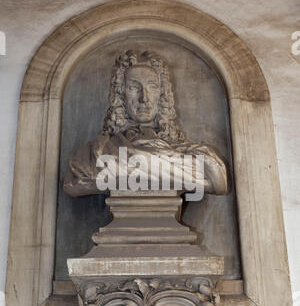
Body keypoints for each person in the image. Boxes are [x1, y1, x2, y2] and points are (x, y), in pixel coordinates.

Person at [63, 50, 228, 198]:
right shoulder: (90, 157)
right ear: (120, 94)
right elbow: (74, 184)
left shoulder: (199, 156)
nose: (144, 98)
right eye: (134, 87)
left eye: (153, 87)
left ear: (162, 95)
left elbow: (219, 183)